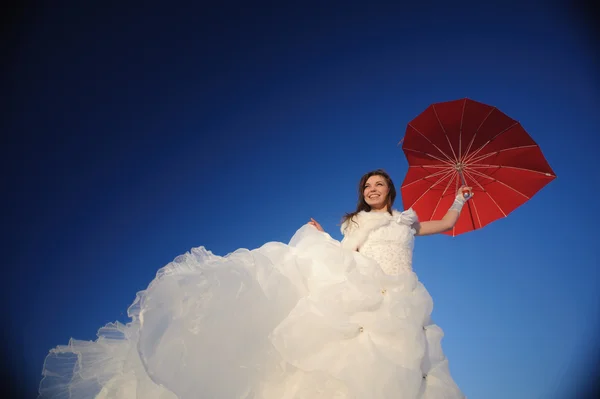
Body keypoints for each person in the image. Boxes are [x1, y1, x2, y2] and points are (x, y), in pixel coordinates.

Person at [39, 169, 471, 399]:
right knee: (360, 360)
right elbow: (346, 255)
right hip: (368, 290)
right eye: (366, 185)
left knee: (412, 366)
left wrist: (459, 198)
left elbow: (449, 223)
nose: (372, 189)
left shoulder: (408, 221)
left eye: (378, 184)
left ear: (390, 189)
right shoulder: (357, 222)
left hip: (404, 296)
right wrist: (321, 238)